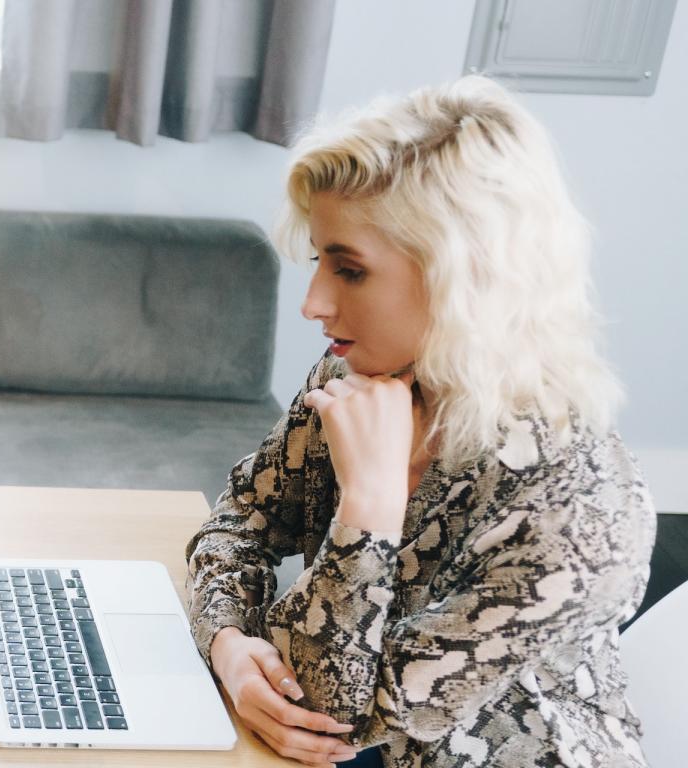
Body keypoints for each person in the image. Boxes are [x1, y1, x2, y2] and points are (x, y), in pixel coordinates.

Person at [185, 76, 656, 767]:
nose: (312, 304)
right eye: (320, 261)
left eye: (349, 270)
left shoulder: (581, 514)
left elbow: (331, 715)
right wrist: (226, 644)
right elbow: (236, 526)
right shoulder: (352, 380)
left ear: (461, 277)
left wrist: (369, 507)